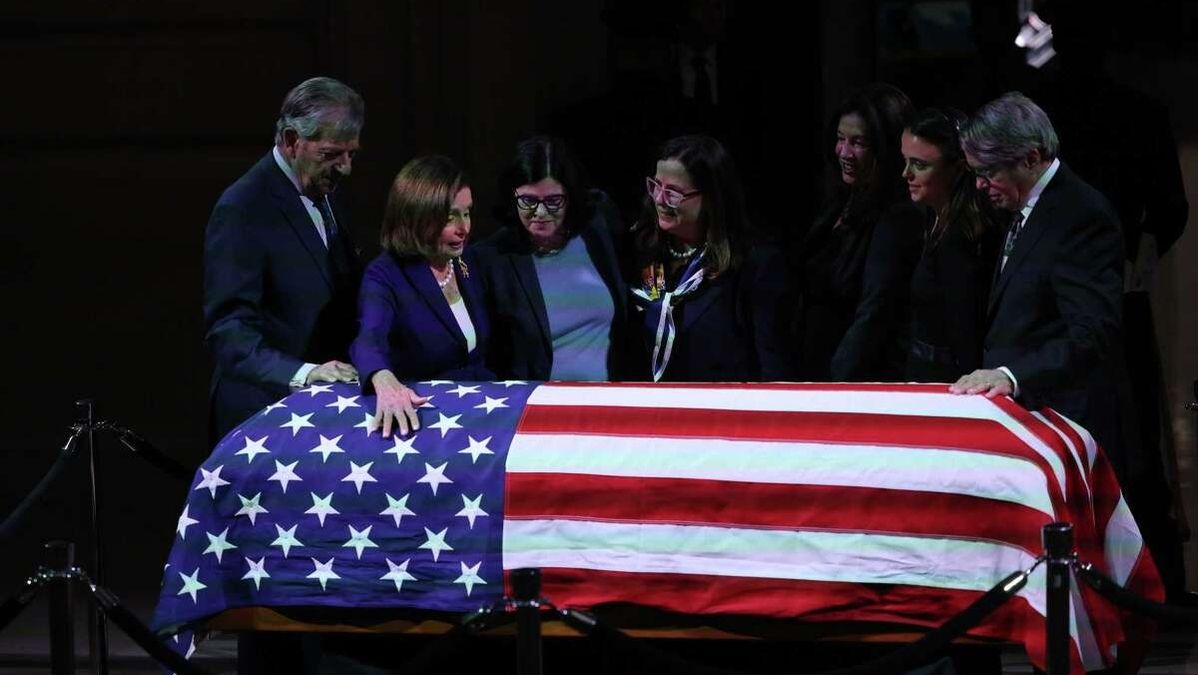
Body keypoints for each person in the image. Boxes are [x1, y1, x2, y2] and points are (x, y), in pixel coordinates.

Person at [949, 92, 1125, 466]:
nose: (980, 185)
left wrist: (1012, 376)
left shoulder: (1080, 215)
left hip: (1061, 426)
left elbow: (1090, 334)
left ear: (1030, 158)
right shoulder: (1023, 206)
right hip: (1025, 423)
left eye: (988, 171)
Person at [203, 76, 363, 444]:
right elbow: (229, 333)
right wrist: (305, 373)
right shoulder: (243, 208)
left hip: (322, 414)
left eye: (351, 154)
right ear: (292, 141)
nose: (346, 168)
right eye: (331, 154)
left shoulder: (327, 193)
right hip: (261, 416)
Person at [629, 134, 792, 382]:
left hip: (723, 412)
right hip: (657, 409)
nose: (659, 200)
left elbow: (772, 364)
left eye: (673, 192)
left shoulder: (754, 263)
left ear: (711, 199)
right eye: (656, 186)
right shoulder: (645, 250)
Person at [350, 155, 491, 438]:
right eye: (450, 217)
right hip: (428, 423)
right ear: (418, 216)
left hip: (481, 412)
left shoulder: (466, 262)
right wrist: (383, 377)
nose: (464, 228)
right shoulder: (386, 274)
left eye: (467, 213)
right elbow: (368, 338)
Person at [795, 83, 923, 381]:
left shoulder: (897, 219)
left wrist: (835, 387)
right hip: (815, 369)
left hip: (854, 382)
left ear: (887, 148)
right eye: (840, 139)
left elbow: (874, 314)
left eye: (859, 143)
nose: (844, 152)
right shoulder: (839, 203)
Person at [474, 136, 629, 381]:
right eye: (528, 201)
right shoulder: (491, 258)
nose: (541, 213)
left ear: (571, 196)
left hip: (609, 402)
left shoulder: (599, 226)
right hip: (537, 407)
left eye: (554, 201)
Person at [900, 108, 1002, 382]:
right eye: (905, 161)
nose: (905, 173)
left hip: (947, 383)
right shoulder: (934, 220)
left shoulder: (960, 239)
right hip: (926, 375)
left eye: (919, 165)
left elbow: (965, 331)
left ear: (957, 168)